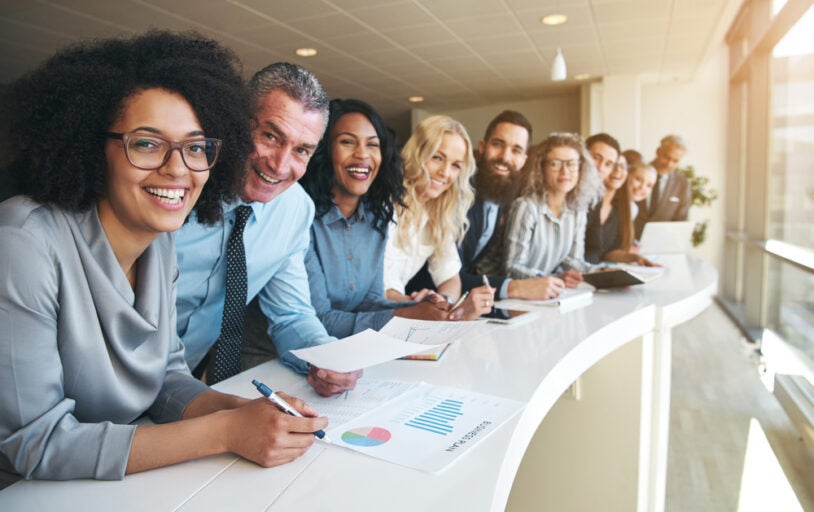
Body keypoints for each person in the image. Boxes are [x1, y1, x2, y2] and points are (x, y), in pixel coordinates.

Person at [0, 31, 327, 489]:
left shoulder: (157, 240)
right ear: (93, 145)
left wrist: (237, 411)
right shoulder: (21, 242)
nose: (177, 169)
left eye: (194, 147)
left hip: (110, 482)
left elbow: (166, 375)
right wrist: (224, 430)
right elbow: (33, 442)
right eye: (147, 143)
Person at [175, 63, 362, 396]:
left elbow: (291, 315)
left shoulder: (295, 210)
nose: (280, 165)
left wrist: (326, 357)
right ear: (238, 123)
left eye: (301, 150)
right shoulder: (177, 186)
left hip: (181, 387)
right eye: (271, 136)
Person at [300, 98, 453, 339]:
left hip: (342, 352)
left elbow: (369, 301)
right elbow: (318, 319)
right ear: (325, 150)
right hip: (278, 359)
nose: (362, 154)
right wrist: (404, 316)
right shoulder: (303, 219)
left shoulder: (376, 219)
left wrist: (423, 308)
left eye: (373, 145)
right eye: (347, 142)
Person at [383, 115, 493, 318]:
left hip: (401, 317)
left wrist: (446, 300)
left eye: (455, 165)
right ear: (417, 153)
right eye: (437, 158)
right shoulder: (384, 205)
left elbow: (451, 278)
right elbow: (379, 290)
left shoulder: (438, 214)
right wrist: (422, 303)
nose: (445, 172)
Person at [478, 133, 602, 292]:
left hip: (544, 293)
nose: (565, 171)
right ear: (541, 168)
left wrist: (600, 271)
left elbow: (572, 260)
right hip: (506, 295)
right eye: (555, 164)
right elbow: (512, 267)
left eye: (571, 164)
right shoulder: (526, 207)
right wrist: (550, 279)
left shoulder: (578, 210)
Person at [584, 135, 656, 266]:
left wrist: (634, 258)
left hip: (595, 274)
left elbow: (607, 253)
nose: (618, 171)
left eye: (622, 167)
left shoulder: (618, 210)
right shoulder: (586, 203)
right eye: (613, 165)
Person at [634, 135, 691, 238]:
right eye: (667, 157)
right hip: (629, 241)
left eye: (675, 161)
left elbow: (681, 220)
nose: (669, 164)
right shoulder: (636, 172)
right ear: (658, 151)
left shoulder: (682, 183)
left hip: (661, 243)